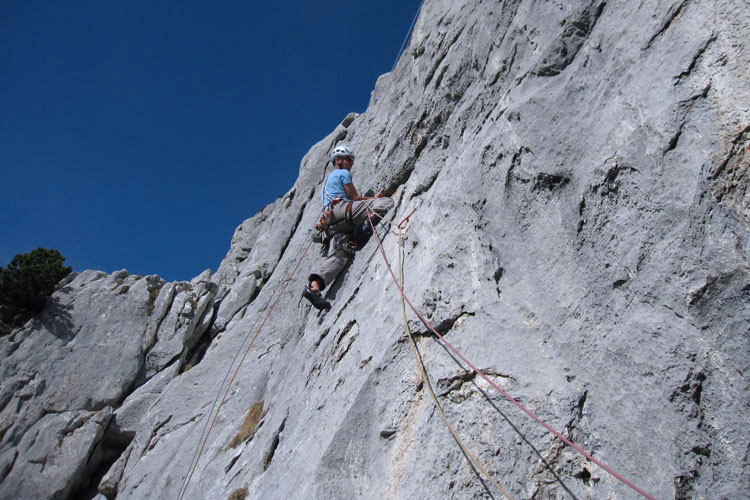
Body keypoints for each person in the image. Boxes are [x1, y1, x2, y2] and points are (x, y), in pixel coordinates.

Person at [303, 145, 394, 310]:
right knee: (386, 202)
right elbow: (355, 197)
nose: (352, 163)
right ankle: (363, 229)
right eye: (349, 159)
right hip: (342, 210)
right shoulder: (341, 173)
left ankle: (314, 287)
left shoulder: (327, 184)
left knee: (340, 256)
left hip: (332, 223)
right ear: (338, 161)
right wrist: (373, 198)